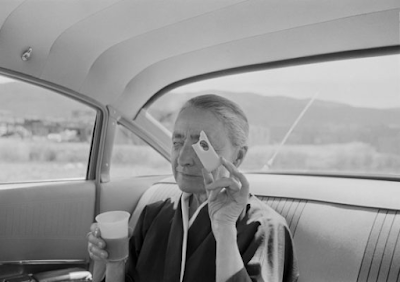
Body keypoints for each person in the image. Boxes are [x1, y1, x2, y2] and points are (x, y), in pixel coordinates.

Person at [87, 94, 299, 282]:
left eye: (202, 146)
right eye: (177, 143)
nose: (183, 158)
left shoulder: (262, 228)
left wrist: (225, 229)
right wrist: (112, 259)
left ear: (238, 156)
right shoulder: (153, 216)